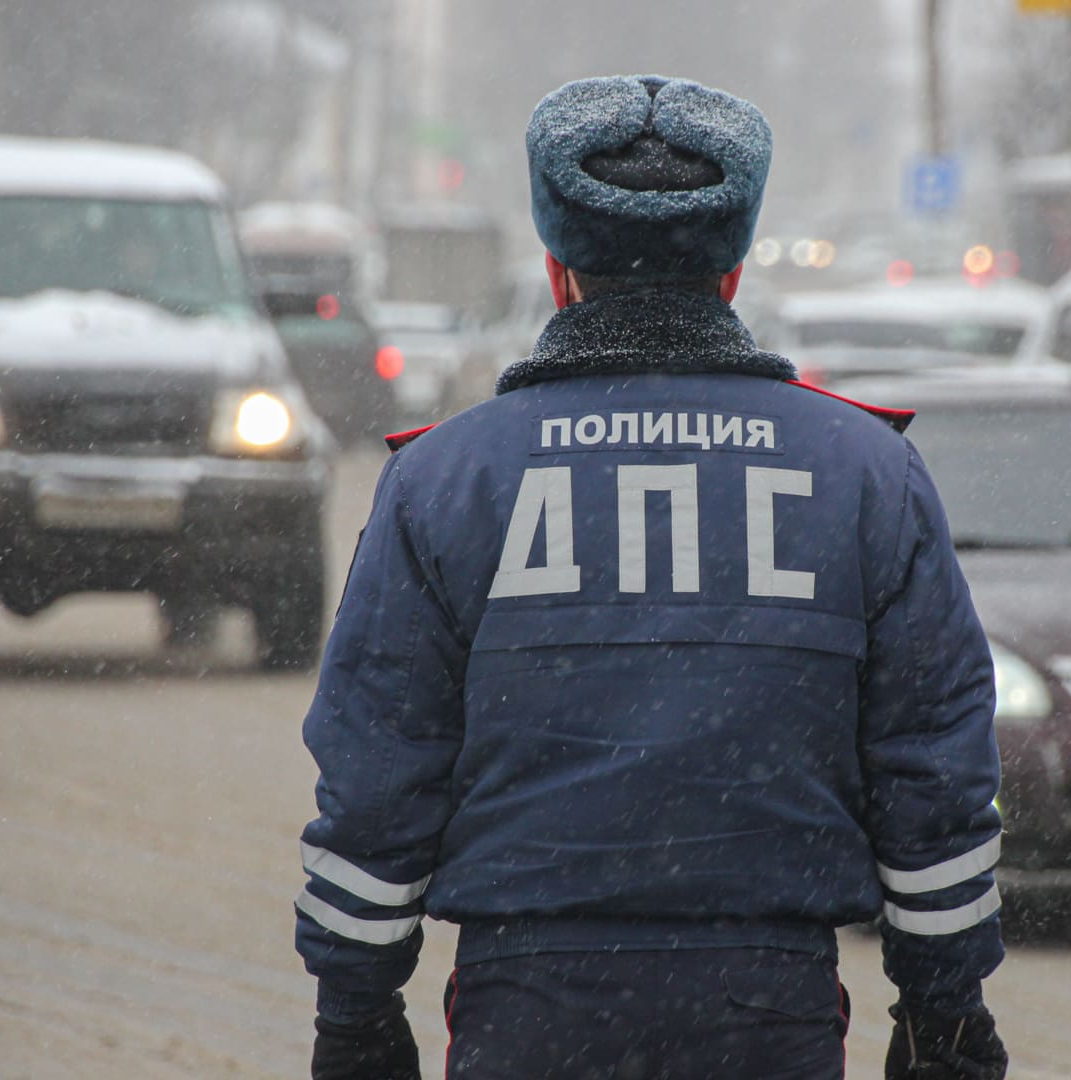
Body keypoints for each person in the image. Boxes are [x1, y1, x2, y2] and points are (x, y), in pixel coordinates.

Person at [294, 74, 1008, 1080]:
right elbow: (932, 770)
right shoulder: (862, 474)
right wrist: (946, 1009)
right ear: (732, 274)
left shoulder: (448, 479)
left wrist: (355, 1013)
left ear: (558, 273)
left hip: (524, 1011)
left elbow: (378, 772)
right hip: (771, 1008)